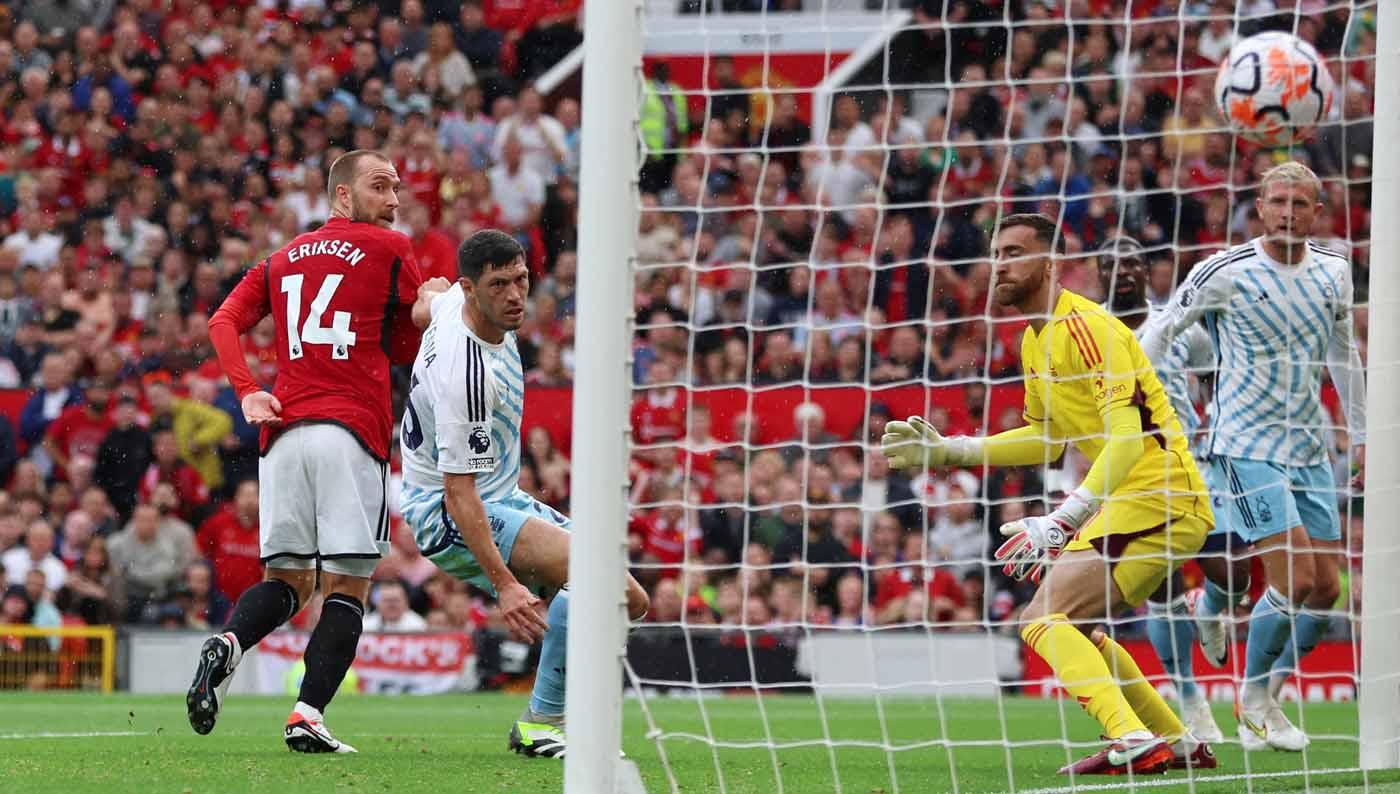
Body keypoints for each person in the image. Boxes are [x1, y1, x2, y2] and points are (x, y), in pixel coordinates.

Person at [882, 213, 1215, 775]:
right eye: (997, 253)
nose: (1000, 265)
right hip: (1138, 499)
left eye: (1015, 252)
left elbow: (1129, 441)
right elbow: (1046, 436)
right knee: (1070, 624)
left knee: (1041, 619)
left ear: (1050, 261)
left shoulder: (1090, 328)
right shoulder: (1036, 341)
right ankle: (1174, 739)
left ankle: (1133, 737)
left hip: (1162, 495)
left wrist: (1064, 519)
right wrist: (952, 451)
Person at [188, 149, 448, 753]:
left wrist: (249, 391)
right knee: (347, 586)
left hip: (281, 434)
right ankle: (307, 713)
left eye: (397, 188)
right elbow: (412, 340)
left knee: (288, 582)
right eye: (380, 186)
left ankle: (228, 643)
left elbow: (223, 321)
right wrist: (434, 302)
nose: (393, 199)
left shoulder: (280, 258)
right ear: (342, 196)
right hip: (349, 432)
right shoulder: (391, 248)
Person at [1140, 162, 1366, 753]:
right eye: (1278, 202)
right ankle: (1254, 701)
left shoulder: (1334, 273)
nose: (1288, 213)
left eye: (1300, 203)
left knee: (1326, 590)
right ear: (1259, 208)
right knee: (1294, 579)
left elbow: (1345, 357)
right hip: (1242, 442)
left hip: (1307, 446)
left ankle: (1264, 693)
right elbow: (1159, 332)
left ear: (1319, 212)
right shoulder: (1224, 271)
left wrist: (1360, 434)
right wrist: (1144, 410)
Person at [398, 229, 649, 759]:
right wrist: (505, 585)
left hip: (498, 495)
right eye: (498, 285)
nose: (514, 296)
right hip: (449, 511)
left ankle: (553, 715)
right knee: (597, 582)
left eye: (520, 280)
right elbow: (459, 493)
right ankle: (545, 721)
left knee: (629, 599)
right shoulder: (467, 376)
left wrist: (425, 306)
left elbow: (428, 297)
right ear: (472, 289)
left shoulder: (452, 305)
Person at [1097, 236, 1242, 744]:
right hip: (1132, 475)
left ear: (1146, 271)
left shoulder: (1177, 323)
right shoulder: (1089, 332)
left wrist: (1212, 422)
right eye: (1112, 263)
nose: (1124, 271)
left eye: (1133, 262)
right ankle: (1190, 700)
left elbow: (1213, 377)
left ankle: (1211, 612)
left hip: (1193, 465)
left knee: (1234, 570)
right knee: (1163, 587)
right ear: (1098, 272)